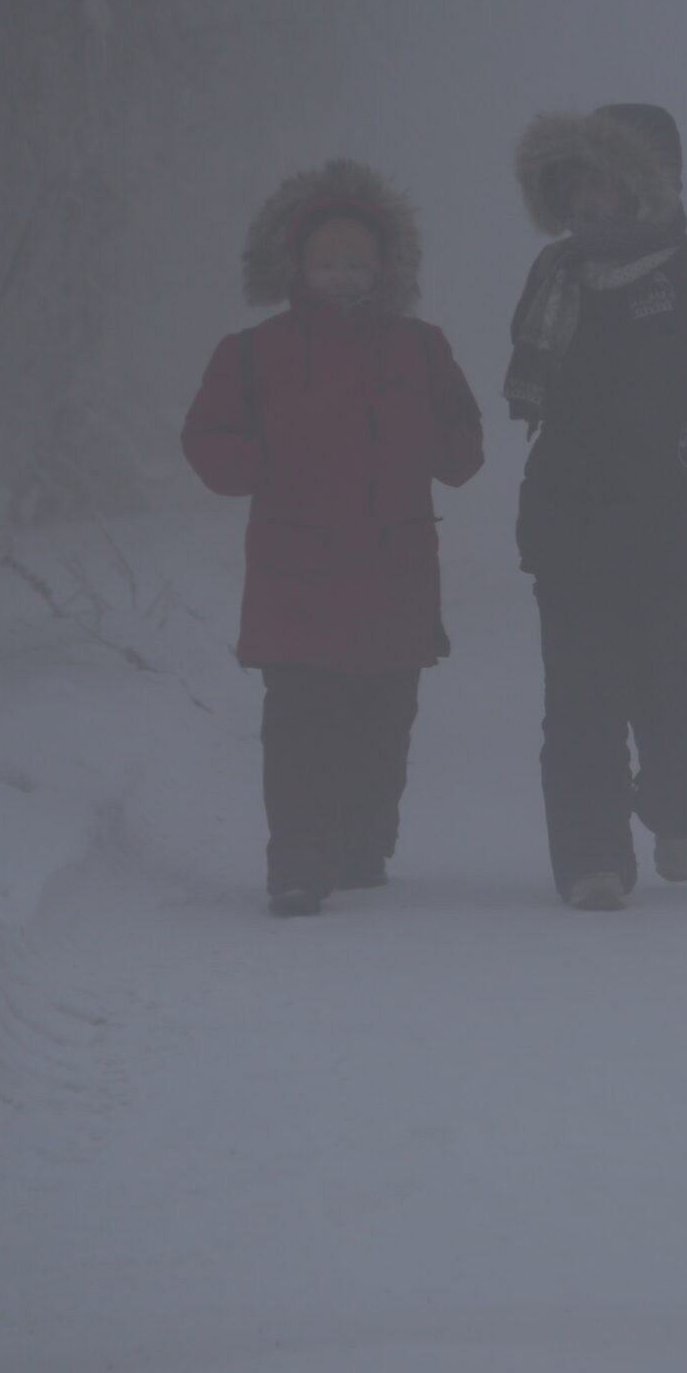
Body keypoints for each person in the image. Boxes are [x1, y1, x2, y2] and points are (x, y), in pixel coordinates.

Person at [504, 104, 687, 910]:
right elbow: (527, 376)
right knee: (579, 704)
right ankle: (591, 859)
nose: (589, 201)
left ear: (647, 189)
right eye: (577, 185)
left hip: (684, 533)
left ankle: (682, 810)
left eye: (607, 183)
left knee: (683, 694)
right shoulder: (552, 278)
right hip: (573, 529)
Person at [182, 159, 484, 916]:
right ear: (297, 266)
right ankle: (297, 855)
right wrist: (267, 461)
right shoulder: (255, 352)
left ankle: (363, 840)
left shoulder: (420, 348)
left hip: (394, 575)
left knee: (384, 722)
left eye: (357, 262)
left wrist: (426, 440)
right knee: (299, 722)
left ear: (386, 268)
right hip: (297, 577)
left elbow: (464, 448)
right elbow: (208, 439)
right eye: (326, 262)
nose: (342, 276)